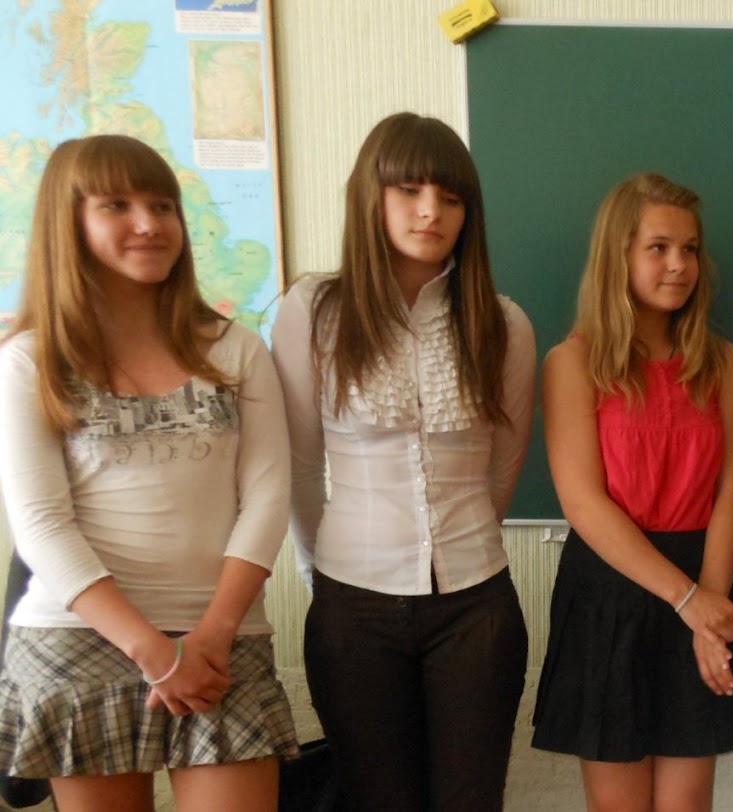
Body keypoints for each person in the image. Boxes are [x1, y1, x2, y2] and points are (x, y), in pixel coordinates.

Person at [0, 134, 298, 811]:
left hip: (222, 638)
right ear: (68, 223)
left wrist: (212, 634)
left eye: (163, 206)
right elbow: (42, 525)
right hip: (80, 639)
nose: (149, 224)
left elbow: (267, 497)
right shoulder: (29, 361)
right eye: (117, 205)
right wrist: (155, 653)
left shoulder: (235, 348)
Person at [270, 112, 536, 811]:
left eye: (450, 197)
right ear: (372, 196)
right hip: (351, 604)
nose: (430, 211)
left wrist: (464, 546)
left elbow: (502, 468)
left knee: (471, 801)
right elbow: (299, 468)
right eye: (409, 190)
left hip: (476, 605)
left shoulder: (503, 323)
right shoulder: (312, 310)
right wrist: (325, 580)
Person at [531, 172, 733, 811]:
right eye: (658, 248)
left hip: (706, 578)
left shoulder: (721, 362)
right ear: (619, 256)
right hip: (609, 589)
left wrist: (708, 611)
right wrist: (686, 600)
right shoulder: (572, 363)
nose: (679, 264)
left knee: (687, 805)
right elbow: (583, 503)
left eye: (690, 249)